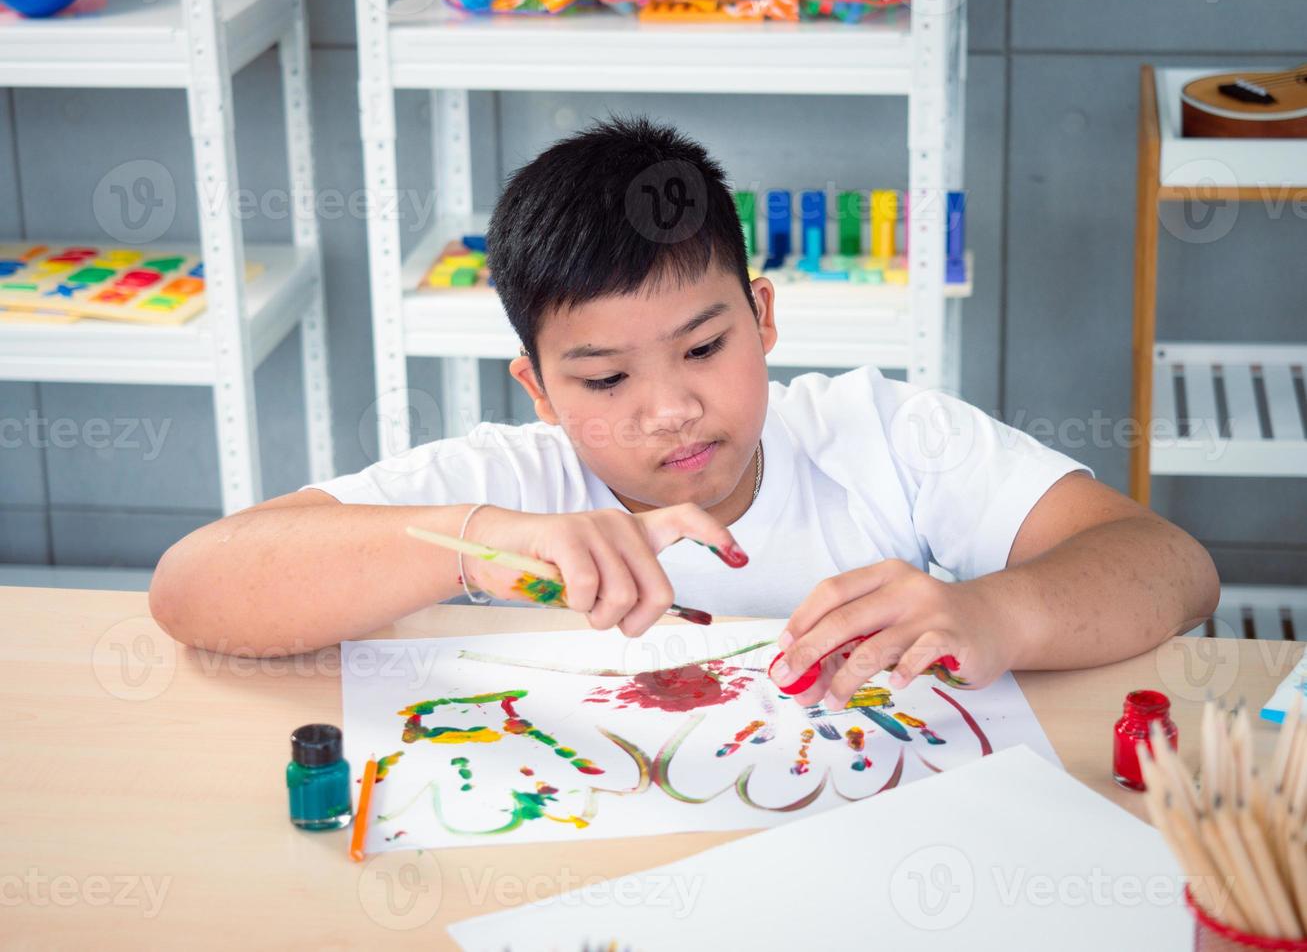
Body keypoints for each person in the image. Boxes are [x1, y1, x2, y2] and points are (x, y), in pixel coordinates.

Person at [149, 116, 1219, 710]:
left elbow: (1167, 563)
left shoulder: (882, 435)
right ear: (539, 389)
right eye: (604, 379)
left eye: (705, 347)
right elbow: (195, 586)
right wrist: (475, 546)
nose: (669, 409)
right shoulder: (508, 484)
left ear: (761, 318)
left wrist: (995, 612)